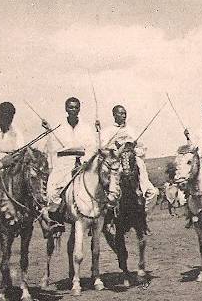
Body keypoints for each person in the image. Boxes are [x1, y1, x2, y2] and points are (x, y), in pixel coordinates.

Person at [40, 97, 97, 227]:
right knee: (52, 191)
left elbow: (92, 147)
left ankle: (96, 218)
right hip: (63, 164)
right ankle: (54, 219)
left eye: (76, 107)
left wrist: (85, 161)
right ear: (66, 109)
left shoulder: (86, 128)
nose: (74, 110)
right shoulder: (58, 127)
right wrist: (49, 131)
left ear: (79, 109)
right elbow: (52, 148)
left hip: (82, 164)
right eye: (71, 107)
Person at [101, 105, 158, 211]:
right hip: (116, 163)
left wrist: (133, 148)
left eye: (124, 113)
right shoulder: (107, 131)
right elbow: (103, 149)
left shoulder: (132, 130)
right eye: (120, 113)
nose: (123, 116)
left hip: (133, 163)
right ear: (114, 115)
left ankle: (143, 214)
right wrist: (117, 149)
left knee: (152, 192)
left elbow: (142, 149)